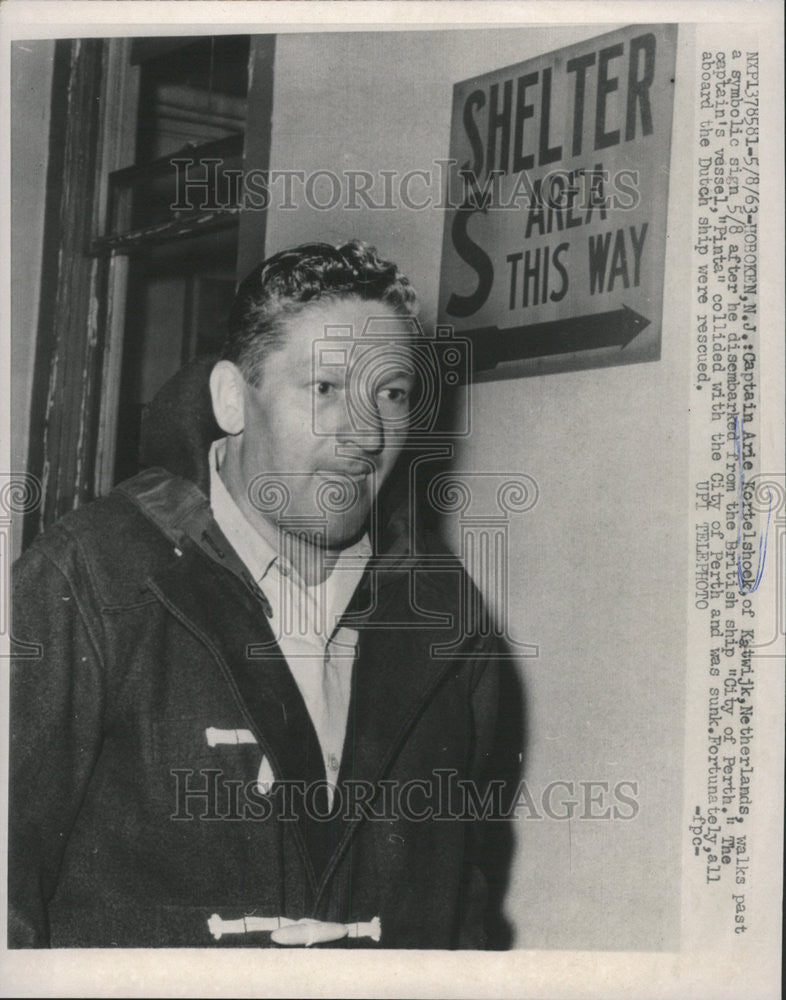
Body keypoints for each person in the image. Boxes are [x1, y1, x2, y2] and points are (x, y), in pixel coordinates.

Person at [9, 240, 505, 949]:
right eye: (325, 388)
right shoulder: (88, 581)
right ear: (232, 400)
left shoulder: (449, 619)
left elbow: (463, 904)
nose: (364, 434)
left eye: (390, 394)